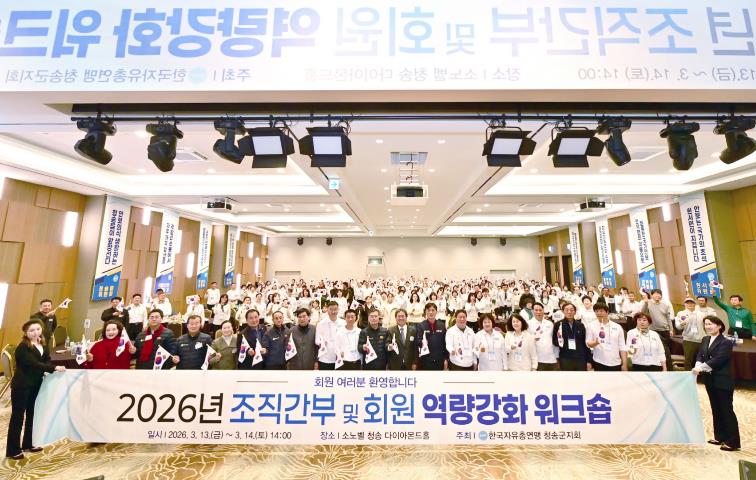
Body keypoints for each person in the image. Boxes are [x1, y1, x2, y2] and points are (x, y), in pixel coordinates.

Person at [6, 320, 65, 460]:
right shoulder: (22, 347)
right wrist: (53, 368)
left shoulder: (42, 344)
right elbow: (33, 364)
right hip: (22, 386)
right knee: (18, 417)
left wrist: (47, 368)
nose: (35, 332)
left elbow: (47, 360)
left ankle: (28, 444)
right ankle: (13, 450)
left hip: (36, 384)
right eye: (31, 330)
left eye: (38, 329)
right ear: (26, 333)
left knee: (32, 414)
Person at [693, 316, 741, 451]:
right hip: (709, 380)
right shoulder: (705, 339)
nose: (708, 326)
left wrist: (701, 368)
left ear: (719, 326)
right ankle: (720, 436)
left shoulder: (726, 342)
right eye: (706, 324)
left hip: (722, 380)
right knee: (716, 408)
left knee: (726, 410)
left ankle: (732, 441)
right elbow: (700, 354)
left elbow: (719, 359)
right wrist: (697, 364)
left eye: (711, 324)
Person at [585, 303, 628, 371]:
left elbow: (622, 346)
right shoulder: (590, 326)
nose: (599, 313)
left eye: (601, 311)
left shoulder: (617, 327)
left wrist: (625, 364)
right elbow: (588, 343)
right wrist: (595, 343)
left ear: (607, 312)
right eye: (596, 311)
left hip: (615, 362)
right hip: (599, 362)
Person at [552, 303, 592, 371]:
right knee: (568, 377)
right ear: (563, 311)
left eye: (571, 310)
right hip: (565, 357)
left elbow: (585, 343)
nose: (569, 312)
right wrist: (561, 342)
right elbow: (554, 341)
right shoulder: (558, 325)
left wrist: (589, 360)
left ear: (575, 312)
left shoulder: (580, 325)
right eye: (566, 310)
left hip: (580, 357)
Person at [642, 289, 675, 371]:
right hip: (654, 330)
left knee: (666, 351)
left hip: (665, 330)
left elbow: (668, 318)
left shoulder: (665, 305)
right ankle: (658, 368)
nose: (658, 296)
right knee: (656, 350)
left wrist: (671, 329)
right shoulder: (648, 303)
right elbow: (643, 313)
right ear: (652, 295)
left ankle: (668, 369)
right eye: (656, 294)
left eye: (659, 294)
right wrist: (645, 303)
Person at [675, 298, 706, 370]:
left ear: (695, 304)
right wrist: (682, 323)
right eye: (687, 303)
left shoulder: (702, 314)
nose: (689, 304)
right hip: (689, 340)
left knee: (701, 360)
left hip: (701, 340)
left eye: (691, 303)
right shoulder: (681, 314)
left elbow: (706, 326)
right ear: (685, 304)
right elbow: (678, 327)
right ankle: (688, 375)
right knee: (688, 360)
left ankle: (700, 375)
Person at [415, 302, 448, 370]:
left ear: (436, 312)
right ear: (425, 312)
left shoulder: (442, 325)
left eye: (433, 310)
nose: (431, 312)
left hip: (439, 360)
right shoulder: (421, 325)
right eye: (428, 310)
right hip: (425, 360)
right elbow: (417, 341)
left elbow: (445, 343)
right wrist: (422, 342)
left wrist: (446, 358)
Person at [530, 303, 558, 370]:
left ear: (543, 311)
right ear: (532, 311)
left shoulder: (550, 323)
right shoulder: (528, 324)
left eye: (540, 310)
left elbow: (553, 340)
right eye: (536, 310)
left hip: (551, 358)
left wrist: (557, 355)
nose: (538, 312)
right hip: (537, 359)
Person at [315, 301, 340, 370]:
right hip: (325, 358)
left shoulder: (343, 323)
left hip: (339, 357)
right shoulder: (321, 324)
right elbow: (317, 340)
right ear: (327, 310)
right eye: (331, 309)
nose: (333, 311)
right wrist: (321, 343)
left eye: (335, 309)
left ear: (338, 310)